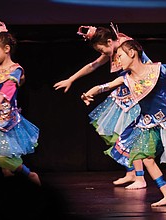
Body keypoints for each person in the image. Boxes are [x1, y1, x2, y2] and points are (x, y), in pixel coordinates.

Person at [81, 39, 166, 206]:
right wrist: (88, 93)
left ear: (132, 53)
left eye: (120, 56)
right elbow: (104, 87)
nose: (117, 60)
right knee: (145, 157)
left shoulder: (158, 70)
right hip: (147, 122)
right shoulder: (126, 79)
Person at [54, 23, 152, 189]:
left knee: (132, 135)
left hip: (137, 92)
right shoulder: (115, 46)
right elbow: (93, 65)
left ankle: (140, 178)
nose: (101, 55)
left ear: (108, 42)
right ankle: (131, 172)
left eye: (101, 51)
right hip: (125, 92)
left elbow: (145, 70)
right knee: (120, 132)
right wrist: (71, 79)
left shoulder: (126, 48)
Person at [0, 19, 41, 185]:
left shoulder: (15, 69)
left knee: (4, 159)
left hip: (5, 120)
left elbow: (7, 90)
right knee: (3, 164)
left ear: (6, 49)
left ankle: (29, 175)